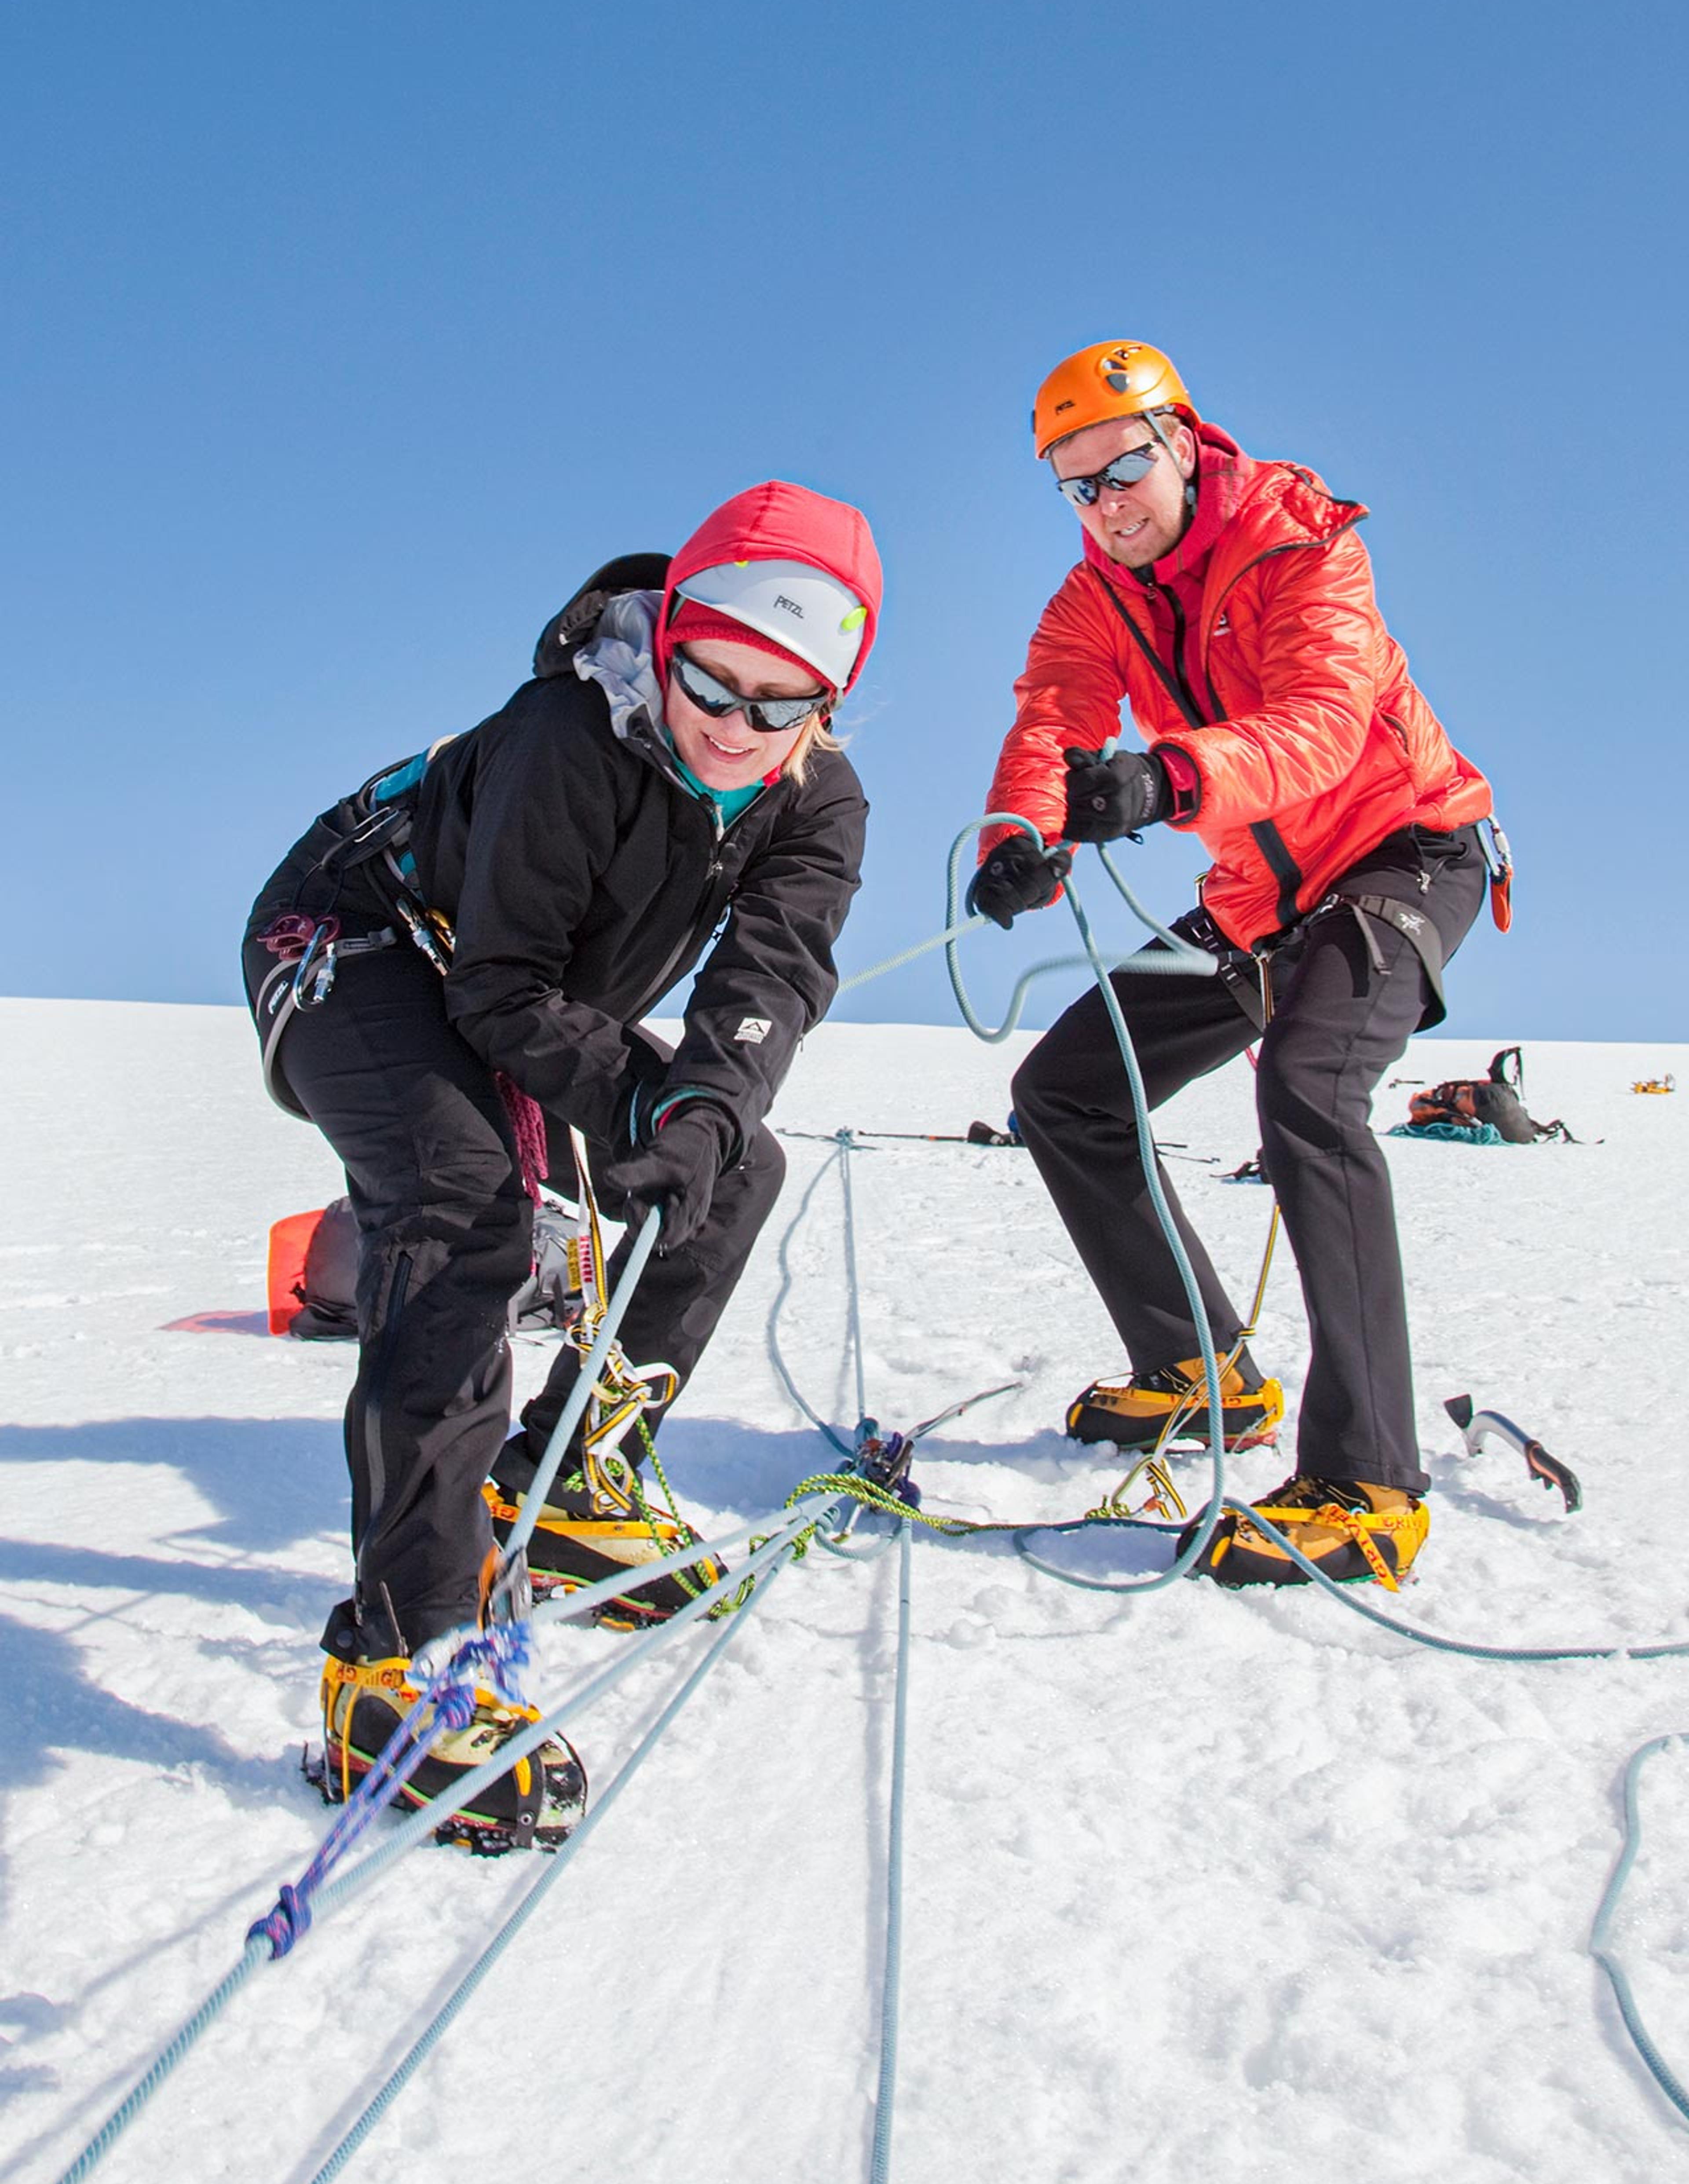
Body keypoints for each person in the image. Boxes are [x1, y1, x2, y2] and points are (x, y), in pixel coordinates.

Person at [244, 481, 881, 1843]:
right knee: (462, 1203)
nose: (734, 725)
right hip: (354, 943)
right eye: (713, 678)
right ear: (670, 638)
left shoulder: (816, 803)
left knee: (735, 1164)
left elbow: (771, 978)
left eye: (782, 705)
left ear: (829, 701)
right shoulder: (567, 735)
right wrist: (633, 1107)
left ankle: (576, 1478)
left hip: (509, 992)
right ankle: (397, 1660)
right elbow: (501, 991)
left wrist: (695, 1121)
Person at [968, 340, 1500, 1588]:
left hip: (1400, 854)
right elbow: (1053, 719)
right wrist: (1021, 836)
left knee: (1309, 1092)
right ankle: (1201, 1368)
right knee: (1068, 1093)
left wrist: (1166, 778)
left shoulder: (1301, 542)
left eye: (1124, 468)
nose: (1108, 503)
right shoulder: (1093, 598)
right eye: (1078, 486)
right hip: (1259, 898)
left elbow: (1322, 725)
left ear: (1185, 441)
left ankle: (1370, 1480)